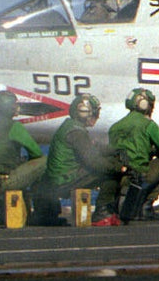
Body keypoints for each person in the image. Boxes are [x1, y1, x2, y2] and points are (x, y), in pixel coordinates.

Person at [33, 93, 125, 226]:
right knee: (111, 174)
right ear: (84, 113)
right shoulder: (77, 133)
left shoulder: (69, 127)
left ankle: (47, 213)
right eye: (93, 112)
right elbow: (94, 162)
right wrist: (119, 168)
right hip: (66, 180)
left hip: (56, 179)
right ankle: (102, 214)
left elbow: (94, 147)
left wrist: (116, 149)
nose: (95, 116)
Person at [0, 90, 47, 226]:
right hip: (1, 182)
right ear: (8, 108)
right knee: (44, 161)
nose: (17, 108)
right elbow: (36, 153)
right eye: (15, 105)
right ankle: (42, 211)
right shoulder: (14, 126)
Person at [103, 88, 159, 222]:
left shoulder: (114, 127)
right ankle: (146, 205)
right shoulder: (148, 125)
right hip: (139, 174)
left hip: (120, 173)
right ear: (144, 104)